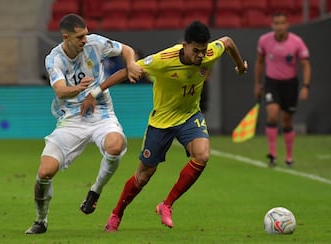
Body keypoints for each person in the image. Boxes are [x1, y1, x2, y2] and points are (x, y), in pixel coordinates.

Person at [80, 20, 248, 231]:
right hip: (162, 122)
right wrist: (95, 93)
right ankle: (116, 214)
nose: (200, 56)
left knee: (202, 156)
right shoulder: (163, 60)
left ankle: (166, 204)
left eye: (203, 51)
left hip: (189, 116)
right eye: (195, 50)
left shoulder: (210, 52)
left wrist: (240, 65)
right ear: (184, 45)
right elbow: (125, 71)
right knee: (142, 178)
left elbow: (229, 42)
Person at [24, 14, 143, 234]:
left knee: (115, 145)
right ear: (65, 37)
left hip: (101, 113)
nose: (85, 40)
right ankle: (41, 220)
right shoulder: (54, 59)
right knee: (44, 173)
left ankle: (95, 191)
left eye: (86, 35)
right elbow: (59, 89)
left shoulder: (95, 43)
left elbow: (126, 49)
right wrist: (79, 89)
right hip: (71, 119)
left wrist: (131, 63)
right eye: (80, 37)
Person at [254, 12, 311, 167]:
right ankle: (272, 154)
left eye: (282, 23)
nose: (279, 26)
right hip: (272, 83)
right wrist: (258, 84)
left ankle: (289, 157)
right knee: (272, 114)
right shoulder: (264, 41)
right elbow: (259, 62)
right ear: (272, 25)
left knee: (287, 120)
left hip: (290, 84)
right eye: (276, 23)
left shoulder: (296, 42)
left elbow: (305, 65)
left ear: (287, 25)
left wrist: (306, 86)